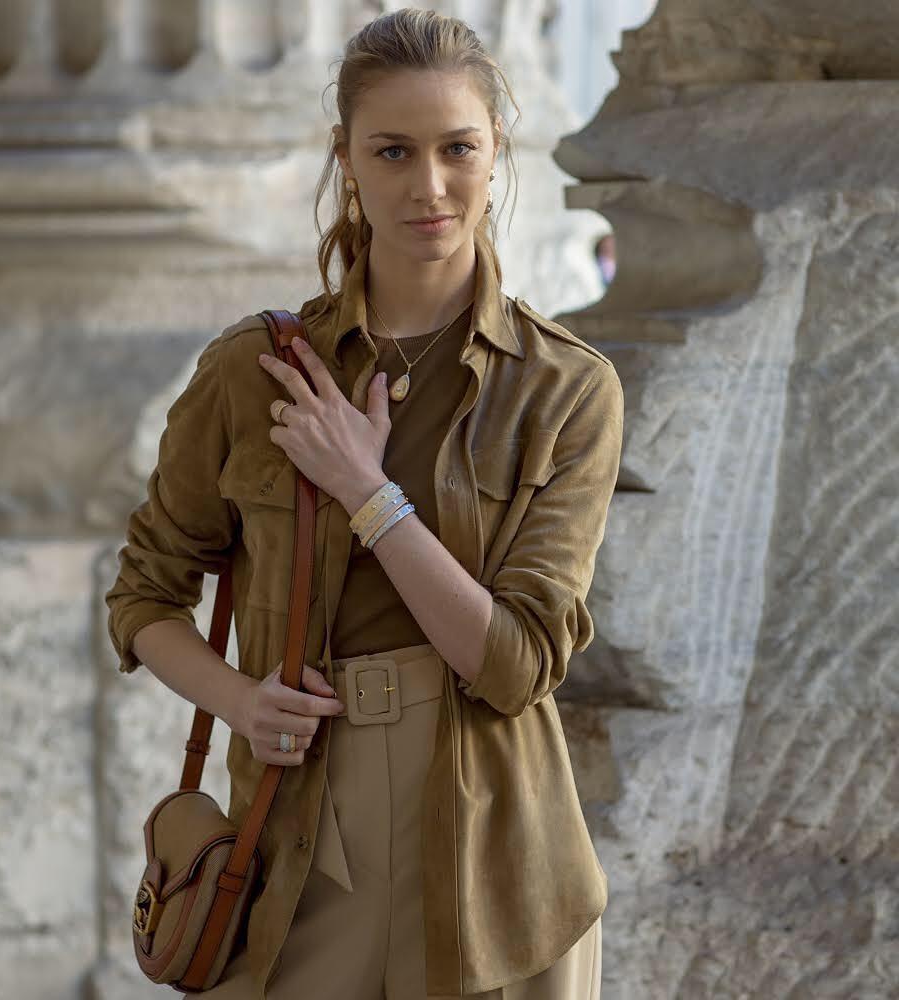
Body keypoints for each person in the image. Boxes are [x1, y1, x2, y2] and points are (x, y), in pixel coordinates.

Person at [105, 8, 623, 999]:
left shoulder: (564, 389)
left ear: (494, 150)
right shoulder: (250, 374)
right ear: (345, 157)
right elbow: (142, 599)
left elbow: (513, 666)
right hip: (300, 831)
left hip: (498, 851)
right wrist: (242, 702)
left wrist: (367, 493)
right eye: (392, 151)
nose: (428, 186)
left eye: (457, 149)